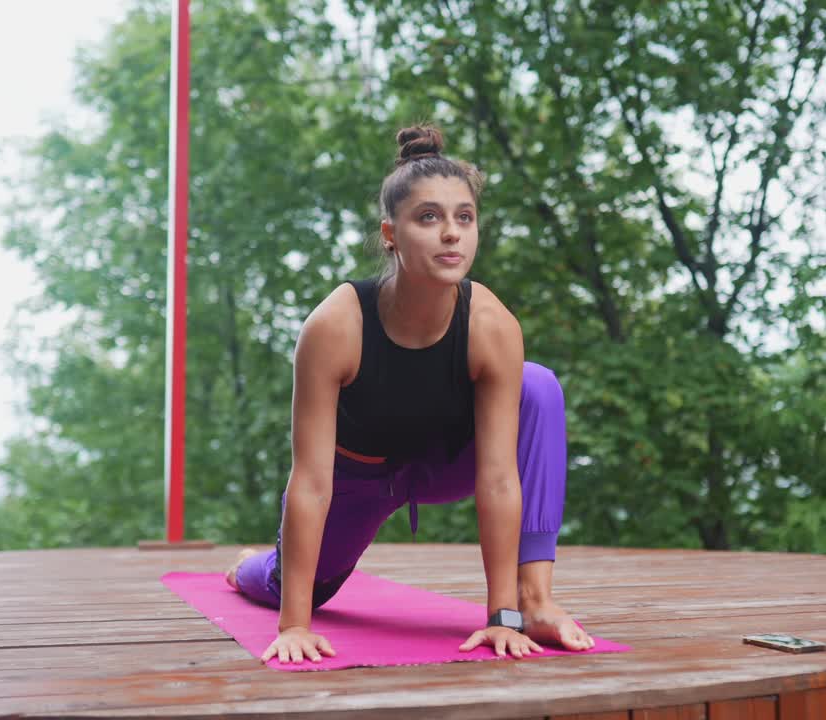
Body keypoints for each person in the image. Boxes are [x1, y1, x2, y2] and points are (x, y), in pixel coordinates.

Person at [225, 123, 594, 665]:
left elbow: (498, 478)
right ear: (390, 234)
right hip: (359, 479)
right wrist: (295, 626)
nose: (451, 234)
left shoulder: (492, 324)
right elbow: (310, 481)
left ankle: (534, 600)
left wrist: (503, 618)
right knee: (293, 585)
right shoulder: (336, 326)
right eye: (428, 217)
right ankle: (248, 567)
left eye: (464, 218)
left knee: (537, 385)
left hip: (446, 465)